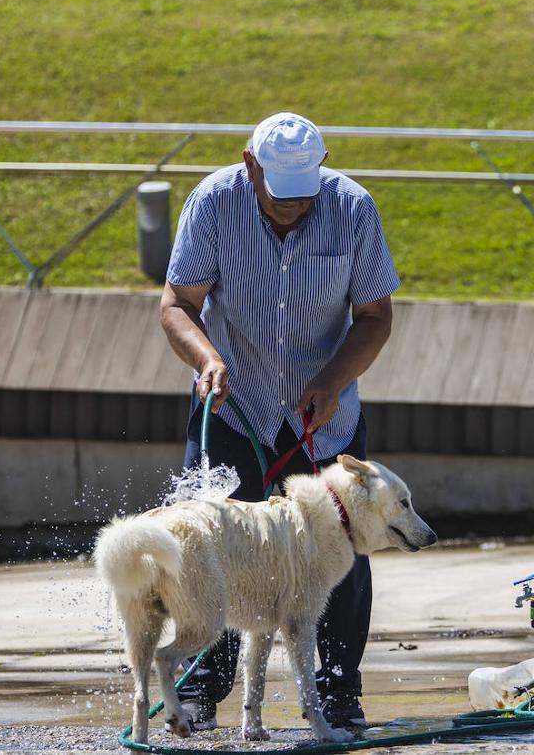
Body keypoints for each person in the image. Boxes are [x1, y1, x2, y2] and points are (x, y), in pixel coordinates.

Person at [158, 111, 399, 729]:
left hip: (324, 411)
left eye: (303, 196)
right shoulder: (213, 204)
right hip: (235, 402)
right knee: (214, 548)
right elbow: (177, 305)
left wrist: (332, 381)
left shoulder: (354, 208)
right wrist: (206, 358)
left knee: (339, 556)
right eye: (277, 196)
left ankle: (339, 693)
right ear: (250, 165)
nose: (291, 209)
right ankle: (200, 692)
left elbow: (374, 316)